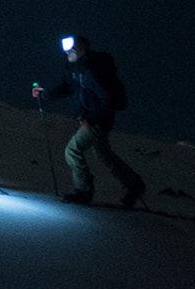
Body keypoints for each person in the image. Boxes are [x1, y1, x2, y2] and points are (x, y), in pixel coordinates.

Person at [33, 35, 145, 207]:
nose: (68, 53)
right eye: (67, 50)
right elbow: (67, 88)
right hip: (94, 120)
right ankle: (134, 185)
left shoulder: (92, 71)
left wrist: (91, 120)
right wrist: (46, 93)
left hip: (97, 120)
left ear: (80, 49)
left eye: (71, 50)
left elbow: (106, 98)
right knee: (104, 155)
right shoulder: (77, 70)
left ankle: (83, 191)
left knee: (72, 151)